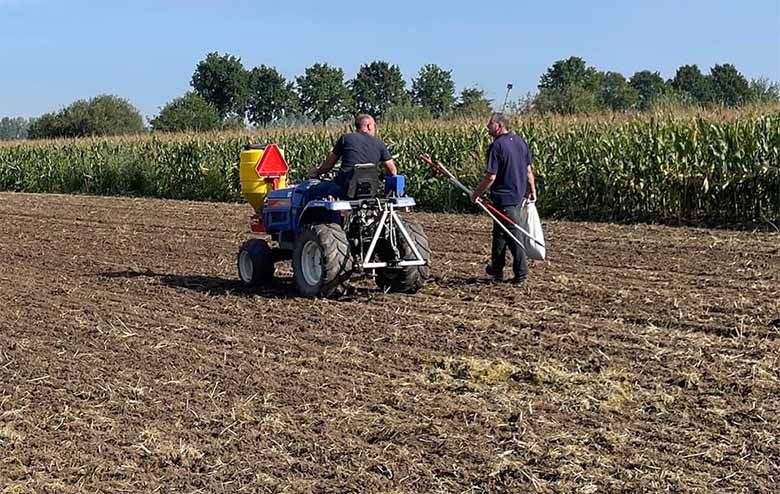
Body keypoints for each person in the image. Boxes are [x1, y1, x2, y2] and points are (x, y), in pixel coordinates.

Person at [470, 113, 537, 285]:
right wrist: (532, 190)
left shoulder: (496, 146)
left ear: (499, 126)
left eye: (490, 123)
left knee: (514, 236)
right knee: (499, 234)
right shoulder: (520, 142)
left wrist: (476, 193)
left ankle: (521, 274)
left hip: (505, 197)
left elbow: (491, 177)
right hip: (516, 196)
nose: (487, 126)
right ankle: (496, 270)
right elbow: (528, 170)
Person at [307, 114, 398, 198]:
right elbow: (393, 171)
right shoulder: (379, 143)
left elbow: (328, 165)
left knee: (309, 191)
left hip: (343, 188)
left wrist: (317, 172)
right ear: (369, 126)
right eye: (374, 125)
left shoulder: (346, 138)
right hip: (370, 190)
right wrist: (381, 176)